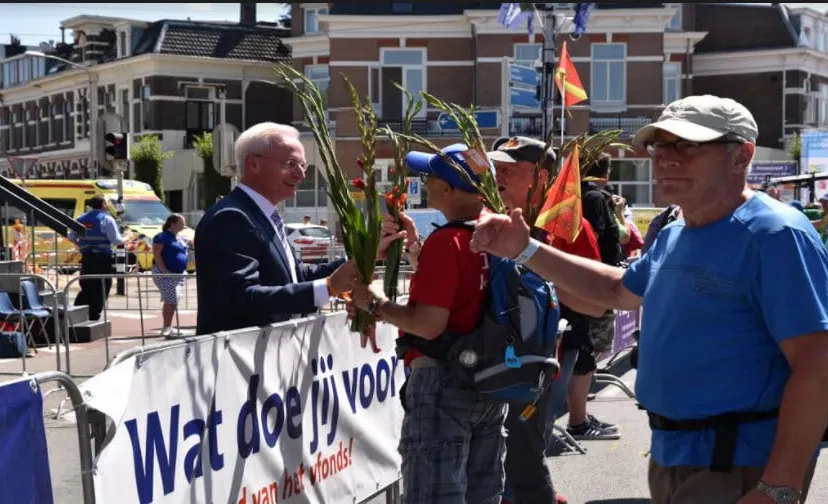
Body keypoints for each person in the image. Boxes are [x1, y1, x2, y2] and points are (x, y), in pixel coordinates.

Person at [470, 95, 828, 504]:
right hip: (676, 457)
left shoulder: (775, 235)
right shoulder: (677, 232)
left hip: (739, 464)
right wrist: (525, 249)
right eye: (660, 145)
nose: (667, 158)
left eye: (688, 145)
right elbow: (617, 291)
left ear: (741, 155)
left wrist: (780, 485)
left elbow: (816, 365)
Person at [347, 143, 507, 504]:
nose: (425, 182)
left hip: (443, 382)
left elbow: (428, 325)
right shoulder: (496, 233)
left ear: (448, 189)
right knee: (482, 495)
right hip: (490, 377)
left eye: (430, 176)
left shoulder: (447, 242)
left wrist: (373, 302)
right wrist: (417, 251)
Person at [488, 136, 606, 504]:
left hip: (533, 364)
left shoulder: (567, 225)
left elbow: (596, 305)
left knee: (522, 457)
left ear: (540, 177)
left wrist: (538, 269)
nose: (498, 175)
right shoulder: (485, 217)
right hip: (479, 364)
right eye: (496, 167)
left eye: (509, 169)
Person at [194, 122, 359, 335]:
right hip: (242, 354)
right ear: (253, 164)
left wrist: (360, 259)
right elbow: (241, 297)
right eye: (291, 164)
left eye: (303, 165)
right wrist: (328, 288)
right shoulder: (231, 218)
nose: (301, 174)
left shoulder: (264, 215)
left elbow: (294, 275)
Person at [68, 195, 127, 321]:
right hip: (102, 259)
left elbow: (71, 237)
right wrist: (127, 238)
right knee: (102, 287)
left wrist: (81, 246)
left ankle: (77, 312)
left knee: (87, 285)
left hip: (87, 258)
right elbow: (116, 240)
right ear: (103, 204)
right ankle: (94, 315)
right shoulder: (106, 219)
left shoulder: (81, 219)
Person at [152, 213, 189, 337]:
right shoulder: (161, 237)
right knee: (171, 299)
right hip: (166, 273)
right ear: (172, 224)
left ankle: (168, 326)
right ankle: (166, 327)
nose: (184, 225)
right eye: (181, 222)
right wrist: (164, 270)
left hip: (178, 274)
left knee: (173, 300)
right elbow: (157, 254)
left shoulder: (180, 238)